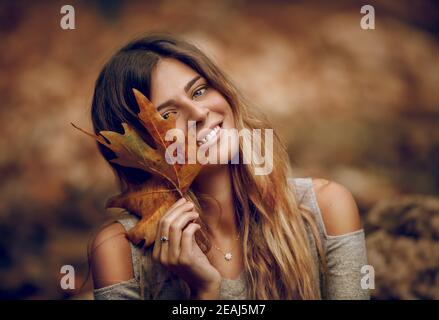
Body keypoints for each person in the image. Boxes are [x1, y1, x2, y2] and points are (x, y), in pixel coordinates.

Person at [88, 33, 370, 300]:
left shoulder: (324, 210)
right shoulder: (120, 252)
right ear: (140, 151)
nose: (199, 113)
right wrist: (203, 291)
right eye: (168, 114)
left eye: (199, 91)